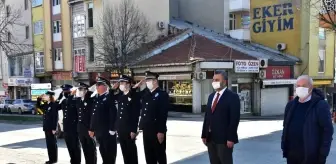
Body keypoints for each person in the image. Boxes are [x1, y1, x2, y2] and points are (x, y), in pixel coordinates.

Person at [281, 75, 334, 164]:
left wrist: (323, 154)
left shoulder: (320, 105)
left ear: (311, 87)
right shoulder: (291, 105)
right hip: (292, 155)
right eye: (298, 86)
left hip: (312, 157)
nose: (300, 88)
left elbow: (328, 131)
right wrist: (284, 146)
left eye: (304, 86)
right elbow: (285, 126)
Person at [201, 71, 240, 164]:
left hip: (224, 140)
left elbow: (234, 119)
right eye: (213, 80)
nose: (214, 82)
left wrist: (231, 138)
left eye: (217, 80)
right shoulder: (211, 96)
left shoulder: (232, 97)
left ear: (225, 82)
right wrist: (204, 134)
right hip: (211, 139)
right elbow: (207, 116)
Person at [133, 71, 169, 164]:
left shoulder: (162, 94)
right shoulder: (146, 93)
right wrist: (136, 86)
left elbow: (162, 114)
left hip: (156, 130)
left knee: (160, 156)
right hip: (146, 130)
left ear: (155, 81)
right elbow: (133, 96)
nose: (147, 82)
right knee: (149, 156)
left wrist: (161, 131)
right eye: (146, 80)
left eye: (149, 80)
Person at [90, 77, 117, 164]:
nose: (97, 87)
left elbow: (113, 114)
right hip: (100, 131)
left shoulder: (109, 97)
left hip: (108, 131)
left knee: (109, 153)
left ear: (105, 86)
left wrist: (112, 129)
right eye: (96, 85)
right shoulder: (97, 98)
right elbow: (94, 115)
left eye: (99, 85)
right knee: (103, 151)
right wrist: (92, 129)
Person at [114, 75, 141, 164]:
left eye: (122, 83)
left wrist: (133, 130)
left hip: (129, 130)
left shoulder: (134, 96)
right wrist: (112, 89)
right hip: (120, 129)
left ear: (128, 84)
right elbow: (110, 97)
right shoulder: (120, 96)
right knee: (124, 153)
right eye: (120, 83)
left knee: (131, 152)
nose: (121, 84)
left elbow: (135, 115)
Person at [72, 82, 97, 164]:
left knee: (91, 149)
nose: (79, 91)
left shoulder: (91, 100)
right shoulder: (78, 100)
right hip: (81, 129)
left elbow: (92, 116)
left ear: (86, 90)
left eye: (81, 89)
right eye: (79, 89)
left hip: (89, 129)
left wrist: (92, 129)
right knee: (85, 149)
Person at [56, 84, 81, 164]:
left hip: (74, 127)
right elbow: (56, 107)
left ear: (71, 91)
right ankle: (72, 161)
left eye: (66, 91)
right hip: (66, 127)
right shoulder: (63, 101)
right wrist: (58, 98)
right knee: (69, 146)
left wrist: (71, 96)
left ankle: (77, 162)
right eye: (64, 91)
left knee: (75, 146)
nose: (65, 92)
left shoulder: (75, 100)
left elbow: (70, 104)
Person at [37, 91, 58, 164]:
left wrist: (54, 128)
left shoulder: (54, 105)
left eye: (46, 95)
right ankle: (50, 159)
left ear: (50, 97)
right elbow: (38, 107)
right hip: (46, 127)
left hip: (51, 128)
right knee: (49, 144)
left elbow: (55, 117)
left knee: (52, 144)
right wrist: (39, 99)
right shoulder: (46, 104)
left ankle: (54, 159)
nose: (44, 96)